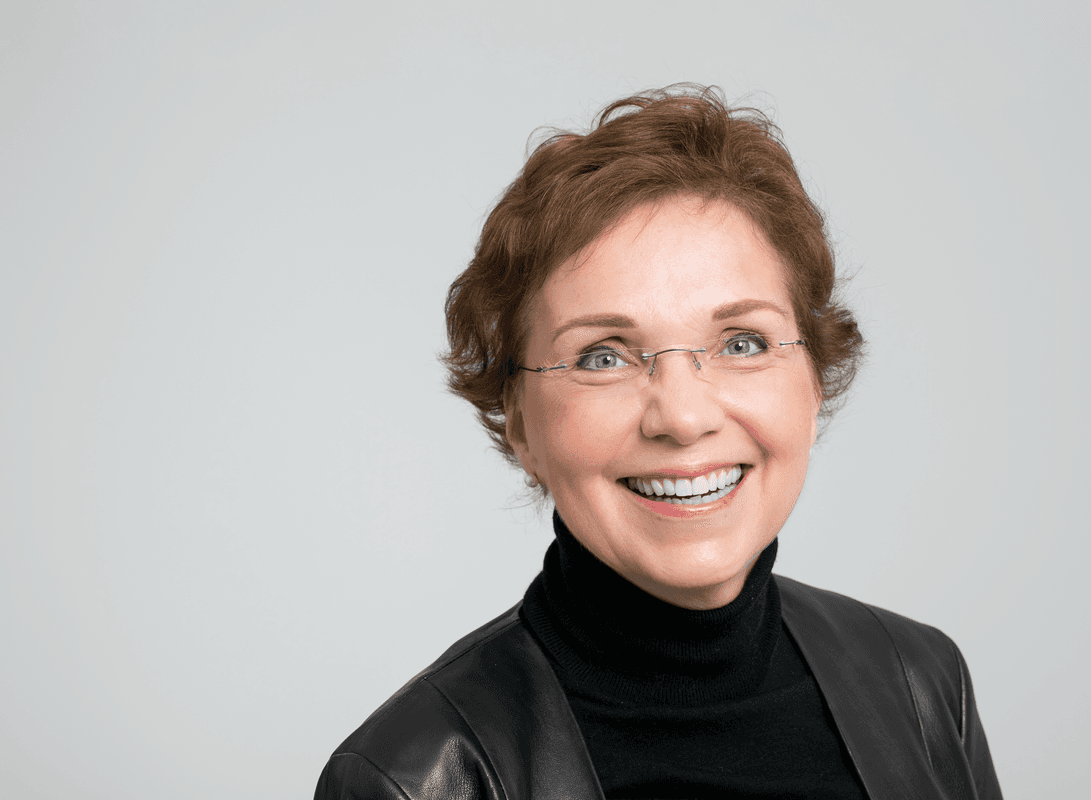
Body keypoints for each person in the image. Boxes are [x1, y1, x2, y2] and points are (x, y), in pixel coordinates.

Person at [314, 85, 1002, 799]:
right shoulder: (409, 777)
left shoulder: (922, 684)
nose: (682, 417)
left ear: (814, 379)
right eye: (603, 356)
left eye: (741, 342)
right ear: (518, 423)